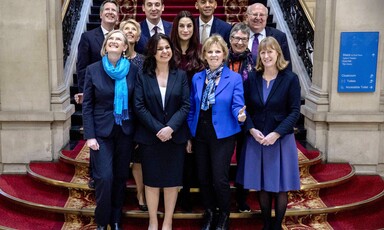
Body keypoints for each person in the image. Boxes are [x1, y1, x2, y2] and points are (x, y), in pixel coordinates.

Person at [236, 36, 301, 230]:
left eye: (270, 51)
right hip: (257, 138)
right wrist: (251, 129)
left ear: (278, 54)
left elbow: (295, 111)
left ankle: (277, 226)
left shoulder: (290, 79)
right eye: (263, 52)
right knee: (262, 184)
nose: (266, 55)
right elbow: (244, 108)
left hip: (280, 140)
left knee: (280, 186)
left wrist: (277, 133)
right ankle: (266, 225)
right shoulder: (252, 78)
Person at [187, 34, 246, 230]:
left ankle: (224, 213)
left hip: (223, 134)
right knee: (203, 176)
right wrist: (189, 134)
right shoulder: (197, 77)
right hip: (200, 133)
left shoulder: (234, 78)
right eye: (210, 51)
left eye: (217, 51)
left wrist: (240, 114)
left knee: (219, 177)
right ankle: (210, 212)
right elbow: (192, 108)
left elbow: (238, 104)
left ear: (224, 55)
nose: (213, 55)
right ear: (204, 55)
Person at [82, 30, 138, 230]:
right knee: (105, 177)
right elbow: (87, 105)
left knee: (121, 177)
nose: (114, 42)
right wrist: (89, 135)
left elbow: (136, 102)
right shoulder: (93, 70)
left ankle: (115, 219)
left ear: (125, 47)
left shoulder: (132, 70)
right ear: (105, 46)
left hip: (125, 131)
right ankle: (102, 221)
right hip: (101, 133)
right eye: (111, 39)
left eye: (119, 40)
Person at [133, 33, 190, 230]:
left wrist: (171, 128)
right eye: (159, 49)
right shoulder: (143, 76)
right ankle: (153, 220)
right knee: (152, 181)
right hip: (151, 137)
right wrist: (159, 129)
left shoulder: (181, 75)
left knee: (172, 181)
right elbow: (139, 106)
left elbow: (185, 105)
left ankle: (167, 221)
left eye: (167, 48)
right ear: (153, 52)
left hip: (175, 138)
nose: (164, 52)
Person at [75, 0, 120, 190]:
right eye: (107, 10)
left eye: (113, 11)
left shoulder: (120, 37)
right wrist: (82, 90)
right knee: (96, 136)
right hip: (95, 94)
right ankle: (95, 174)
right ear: (100, 15)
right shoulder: (88, 37)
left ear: (118, 16)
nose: (110, 13)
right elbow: (82, 65)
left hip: (116, 93)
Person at [170, 10, 205, 212]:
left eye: (189, 26)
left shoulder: (201, 52)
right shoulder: (167, 50)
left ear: (194, 29)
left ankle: (187, 199)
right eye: (182, 26)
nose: (185, 30)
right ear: (176, 27)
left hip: (195, 112)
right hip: (172, 112)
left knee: (191, 159)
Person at [226, 22, 254, 213]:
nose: (239, 42)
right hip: (224, 117)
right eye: (236, 38)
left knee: (244, 160)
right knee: (222, 159)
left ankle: (242, 198)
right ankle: (222, 198)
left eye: (243, 39)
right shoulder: (220, 58)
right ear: (230, 39)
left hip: (247, 117)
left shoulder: (255, 62)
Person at [119, 18, 147, 212]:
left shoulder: (143, 60)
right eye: (125, 29)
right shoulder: (113, 58)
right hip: (118, 116)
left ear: (138, 37)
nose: (130, 32)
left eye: (133, 30)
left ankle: (141, 194)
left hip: (137, 115)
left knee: (138, 159)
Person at [245, 3, 292, 70]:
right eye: (255, 14)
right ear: (247, 16)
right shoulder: (238, 35)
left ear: (266, 17)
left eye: (262, 15)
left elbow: (286, 65)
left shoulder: (279, 36)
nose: (258, 18)